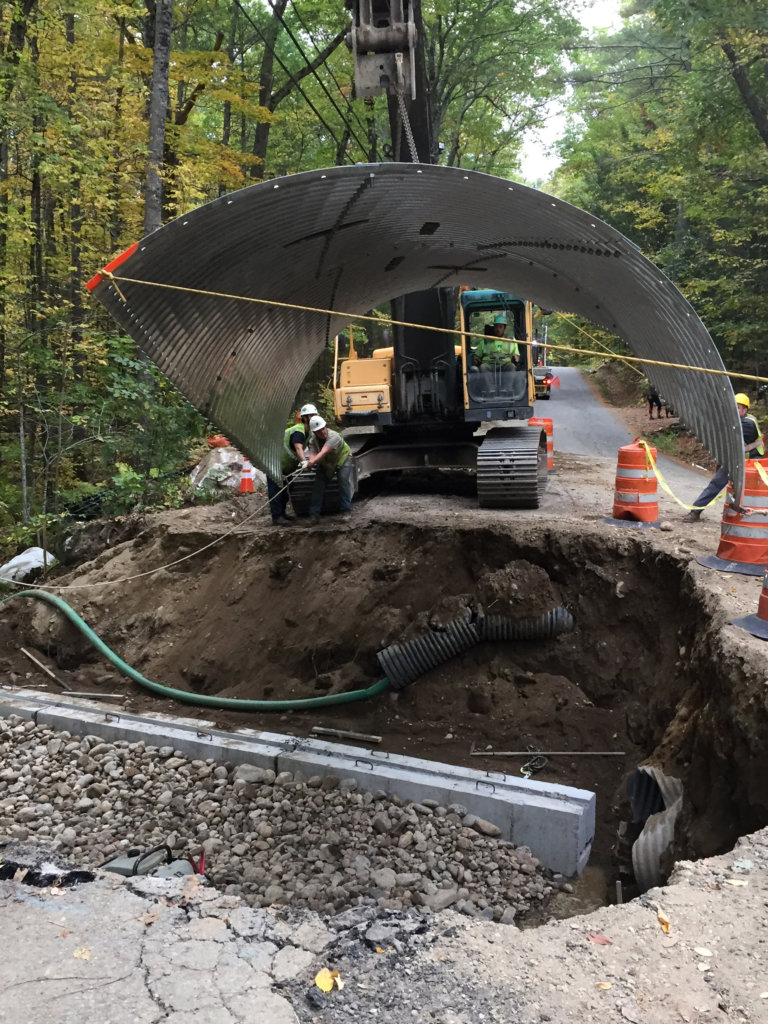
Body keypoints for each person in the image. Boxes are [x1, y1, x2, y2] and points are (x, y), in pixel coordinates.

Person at [683, 393, 764, 522]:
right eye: (733, 407)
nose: (734, 410)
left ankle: (751, 518)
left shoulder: (748, 423)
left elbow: (729, 437)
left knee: (751, 492)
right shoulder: (734, 421)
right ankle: (695, 511)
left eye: (737, 408)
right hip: (736, 460)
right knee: (716, 483)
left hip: (752, 462)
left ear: (745, 410)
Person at [267, 402, 317, 525]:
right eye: (311, 415)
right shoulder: (299, 431)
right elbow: (298, 447)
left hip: (284, 466)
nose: (313, 418)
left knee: (284, 492)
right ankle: (277, 517)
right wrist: (304, 462)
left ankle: (282, 514)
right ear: (304, 418)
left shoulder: (308, 432)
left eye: (314, 415)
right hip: (275, 463)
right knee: (276, 491)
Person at [305, 414, 354, 523]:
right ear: (314, 432)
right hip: (327, 463)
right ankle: (314, 514)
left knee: (343, 481)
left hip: (342, 458)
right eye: (318, 431)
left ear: (325, 426)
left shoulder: (334, 437)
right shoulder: (313, 441)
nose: (322, 432)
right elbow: (313, 453)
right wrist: (309, 463)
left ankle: (346, 511)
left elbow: (323, 452)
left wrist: (312, 462)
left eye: (323, 429)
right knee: (318, 485)